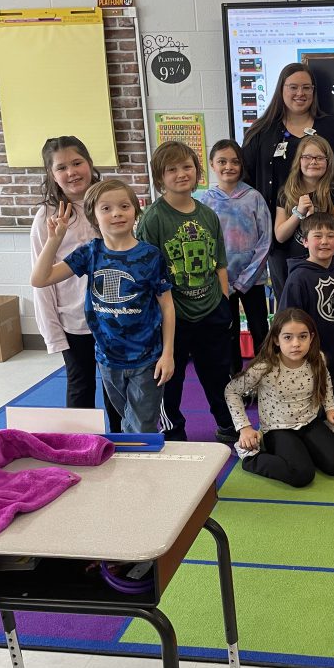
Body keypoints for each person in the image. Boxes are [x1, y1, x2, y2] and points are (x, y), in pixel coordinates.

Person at [30, 180, 174, 434]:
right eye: (106, 208)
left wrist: (168, 353)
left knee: (140, 425)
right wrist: (54, 240)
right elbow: (40, 279)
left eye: (124, 206)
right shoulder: (90, 253)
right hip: (108, 359)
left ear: (135, 211)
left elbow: (167, 305)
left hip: (147, 357)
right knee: (126, 418)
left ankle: (141, 464)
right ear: (94, 217)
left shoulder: (151, 256)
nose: (116, 213)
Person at [136, 140, 238, 445]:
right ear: (159, 177)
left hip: (211, 312)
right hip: (173, 319)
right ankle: (174, 433)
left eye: (187, 166)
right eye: (172, 169)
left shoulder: (208, 215)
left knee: (218, 376)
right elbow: (147, 274)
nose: (181, 174)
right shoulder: (153, 219)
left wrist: (223, 303)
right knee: (171, 381)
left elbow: (219, 263)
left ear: (197, 171)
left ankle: (228, 424)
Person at [241, 63, 334, 293]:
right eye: (293, 87)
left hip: (326, 239)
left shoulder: (333, 128)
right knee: (289, 304)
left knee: (328, 305)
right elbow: (245, 181)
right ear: (281, 90)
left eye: (307, 88)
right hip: (281, 239)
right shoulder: (262, 132)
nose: (300, 93)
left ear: (314, 92)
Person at [29, 136, 121, 432]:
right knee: (80, 384)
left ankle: (121, 438)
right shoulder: (47, 216)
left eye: (77, 163)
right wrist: (52, 333)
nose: (72, 172)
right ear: (51, 175)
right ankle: (80, 444)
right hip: (74, 321)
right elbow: (40, 280)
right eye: (62, 167)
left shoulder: (109, 205)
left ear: (90, 163)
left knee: (116, 386)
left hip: (114, 317)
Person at [225, 308, 334, 488]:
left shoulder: (318, 359)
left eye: (302, 336)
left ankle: (311, 448)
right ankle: (251, 458)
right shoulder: (265, 367)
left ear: (312, 337)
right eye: (288, 337)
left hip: (310, 423)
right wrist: (244, 427)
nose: (296, 344)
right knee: (301, 474)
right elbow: (232, 391)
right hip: (278, 430)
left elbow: (326, 382)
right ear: (277, 339)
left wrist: (331, 409)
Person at [197, 139, 271, 375]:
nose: (228, 166)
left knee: (260, 329)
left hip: (252, 281)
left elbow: (265, 241)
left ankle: (263, 378)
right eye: (222, 161)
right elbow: (201, 244)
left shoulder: (254, 198)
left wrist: (245, 280)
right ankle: (234, 379)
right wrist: (220, 280)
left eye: (234, 162)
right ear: (211, 164)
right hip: (220, 283)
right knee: (226, 332)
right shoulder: (204, 201)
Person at [278, 211, 334, 408]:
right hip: (309, 357)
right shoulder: (298, 278)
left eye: (331, 236)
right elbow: (288, 318)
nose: (324, 241)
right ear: (305, 241)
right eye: (317, 236)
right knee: (310, 405)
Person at [273, 134, 334, 283]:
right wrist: (298, 213)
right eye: (307, 157)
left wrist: (317, 217)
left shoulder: (333, 191)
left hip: (327, 265)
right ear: (299, 160)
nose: (313, 162)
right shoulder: (286, 192)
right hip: (297, 267)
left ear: (328, 162)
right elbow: (280, 235)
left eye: (320, 158)